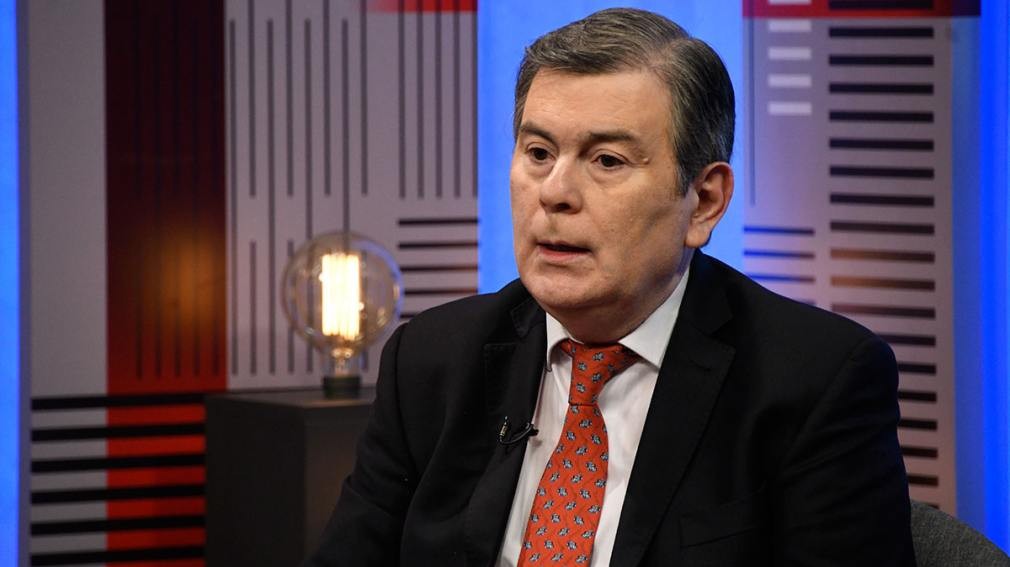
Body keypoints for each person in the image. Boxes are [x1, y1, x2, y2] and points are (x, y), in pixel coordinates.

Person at [304, 8, 915, 566]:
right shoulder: (431, 361)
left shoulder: (816, 382)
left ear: (704, 201)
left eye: (607, 161)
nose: (555, 192)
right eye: (538, 152)